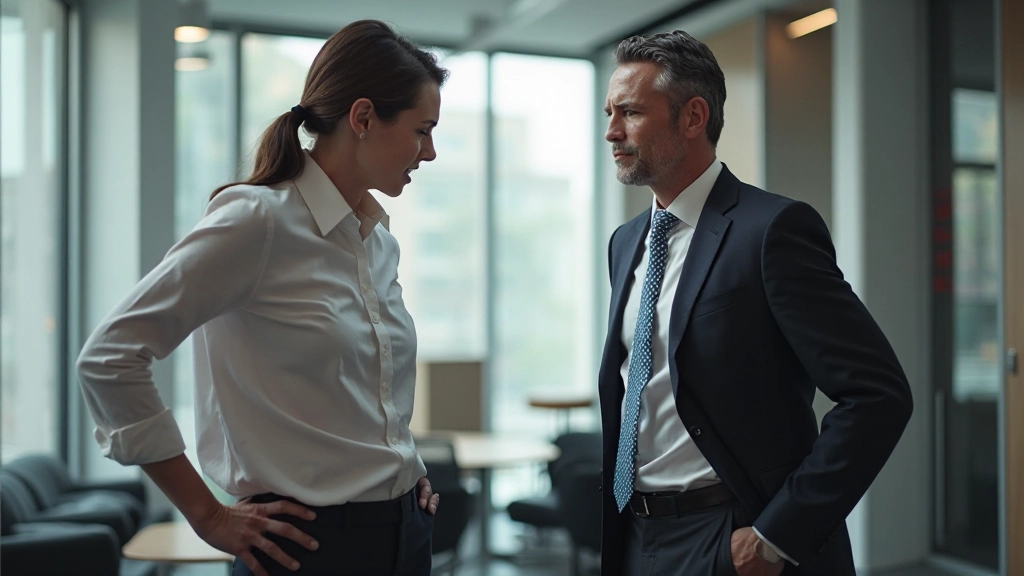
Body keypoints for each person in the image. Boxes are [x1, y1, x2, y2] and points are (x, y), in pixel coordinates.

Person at [77, 20, 448, 576]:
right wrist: (206, 515)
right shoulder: (257, 221)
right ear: (364, 118)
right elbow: (109, 359)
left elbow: (364, 394)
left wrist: (402, 470)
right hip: (303, 548)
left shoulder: (378, 243)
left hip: (405, 531)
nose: (432, 151)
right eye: (422, 130)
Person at [597, 30, 913, 576]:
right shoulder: (626, 241)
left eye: (630, 112)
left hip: (732, 535)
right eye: (609, 112)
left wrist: (775, 536)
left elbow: (876, 395)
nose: (611, 131)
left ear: (693, 117)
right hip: (634, 532)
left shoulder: (772, 231)